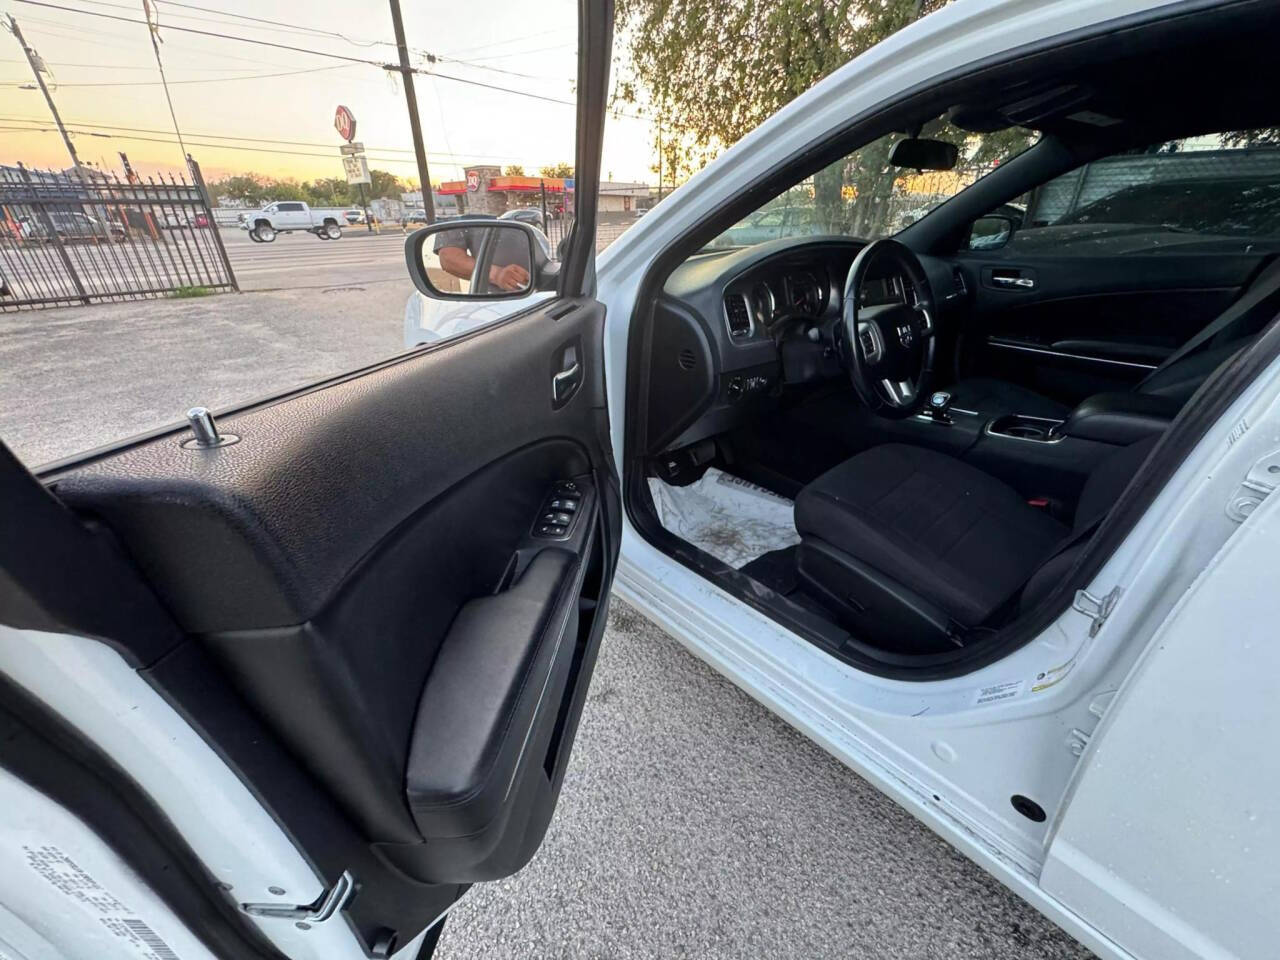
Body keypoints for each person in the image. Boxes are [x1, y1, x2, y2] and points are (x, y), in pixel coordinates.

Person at [434, 221, 531, 293]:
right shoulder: (462, 217)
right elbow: (448, 257)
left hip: (542, 298)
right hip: (495, 305)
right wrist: (496, 274)